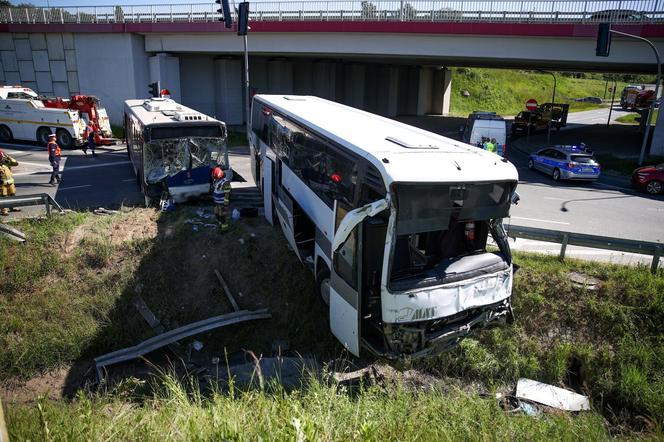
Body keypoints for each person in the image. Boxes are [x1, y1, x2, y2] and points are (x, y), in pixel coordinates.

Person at [211, 166, 231, 232]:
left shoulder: (226, 182)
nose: (215, 179)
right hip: (216, 202)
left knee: (222, 216)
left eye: (216, 177)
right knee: (216, 214)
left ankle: (224, 229)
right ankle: (220, 225)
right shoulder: (216, 180)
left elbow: (227, 194)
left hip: (222, 203)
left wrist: (225, 204)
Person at [0, 149, 19, 216]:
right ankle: (4, 210)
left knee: (12, 194)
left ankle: (13, 207)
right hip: (2, 184)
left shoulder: (6, 163)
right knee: (3, 196)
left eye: (2, 156)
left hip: (10, 182)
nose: (2, 158)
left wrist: (8, 157)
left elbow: (16, 163)